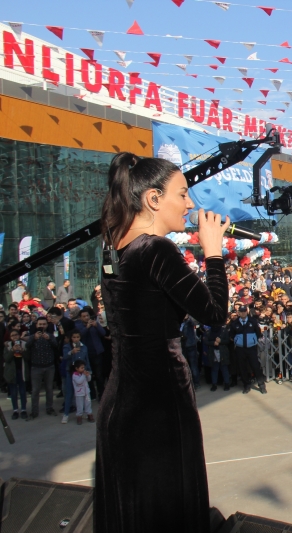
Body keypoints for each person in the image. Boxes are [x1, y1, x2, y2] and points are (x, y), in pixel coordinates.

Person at [95, 152, 231, 532]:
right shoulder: (155, 249)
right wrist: (214, 252)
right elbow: (215, 313)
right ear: (154, 199)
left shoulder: (113, 248)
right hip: (159, 407)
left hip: (120, 403)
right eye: (183, 194)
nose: (190, 205)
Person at [228, 304, 265, 394]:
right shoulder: (235, 323)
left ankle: (261, 385)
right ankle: (246, 385)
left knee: (255, 366)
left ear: (247, 312)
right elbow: (232, 336)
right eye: (241, 311)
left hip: (251, 348)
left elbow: (258, 332)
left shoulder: (253, 321)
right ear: (239, 313)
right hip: (240, 349)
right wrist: (238, 341)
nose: (243, 313)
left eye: (245, 311)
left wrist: (252, 340)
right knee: (242, 367)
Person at [27, 316, 58, 420]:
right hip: (36, 367)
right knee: (35, 390)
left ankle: (49, 408)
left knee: (49, 389)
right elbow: (27, 346)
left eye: (44, 324)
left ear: (47, 325)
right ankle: (34, 411)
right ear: (36, 325)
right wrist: (34, 339)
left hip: (49, 367)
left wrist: (49, 339)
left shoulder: (50, 336)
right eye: (40, 324)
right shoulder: (32, 336)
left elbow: (56, 346)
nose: (42, 326)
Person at [75, 308, 107, 401]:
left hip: (97, 353)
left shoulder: (94, 324)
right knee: (88, 374)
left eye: (87, 316)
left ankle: (101, 394)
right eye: (84, 316)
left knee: (99, 375)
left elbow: (103, 333)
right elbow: (79, 336)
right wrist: (87, 328)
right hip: (86, 354)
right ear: (80, 318)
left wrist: (97, 326)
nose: (86, 318)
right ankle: (92, 393)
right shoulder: (78, 326)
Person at [61, 330, 90, 424]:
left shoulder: (84, 347)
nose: (76, 339)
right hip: (71, 373)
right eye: (74, 337)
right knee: (69, 393)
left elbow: (86, 360)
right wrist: (71, 352)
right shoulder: (67, 346)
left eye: (77, 337)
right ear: (71, 338)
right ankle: (66, 414)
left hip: (82, 373)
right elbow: (64, 357)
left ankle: (85, 413)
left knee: (84, 394)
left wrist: (89, 370)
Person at [3, 329, 29, 420]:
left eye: (16, 335)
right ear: (10, 337)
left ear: (19, 335)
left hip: (21, 371)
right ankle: (15, 410)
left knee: (22, 391)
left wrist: (22, 350)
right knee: (13, 392)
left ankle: (23, 409)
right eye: (12, 336)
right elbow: (6, 359)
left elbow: (28, 357)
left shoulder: (24, 344)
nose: (15, 337)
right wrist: (12, 351)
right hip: (12, 372)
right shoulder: (8, 346)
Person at [72, 359, 93, 425]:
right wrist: (84, 375)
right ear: (76, 368)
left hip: (86, 392)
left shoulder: (83, 374)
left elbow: (89, 380)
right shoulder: (75, 375)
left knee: (88, 403)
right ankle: (79, 416)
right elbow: (79, 382)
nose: (83, 369)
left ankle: (89, 414)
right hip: (79, 393)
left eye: (83, 367)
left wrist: (88, 375)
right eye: (81, 368)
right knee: (80, 405)